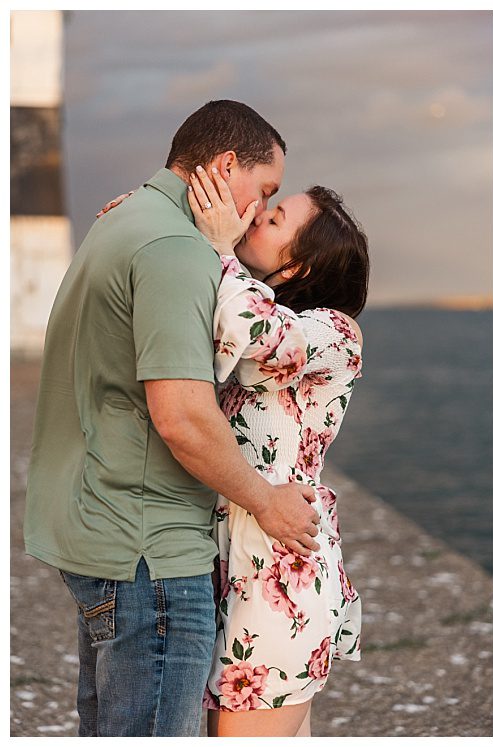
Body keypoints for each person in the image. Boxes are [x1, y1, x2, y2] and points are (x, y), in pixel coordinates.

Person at [23, 100, 323, 737]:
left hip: (99, 523)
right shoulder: (175, 249)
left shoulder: (128, 219)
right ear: (222, 167)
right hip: (147, 549)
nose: (260, 209)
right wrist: (266, 501)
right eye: (265, 190)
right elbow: (183, 417)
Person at [183, 168, 369, 735]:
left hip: (276, 571)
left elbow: (259, 338)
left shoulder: (336, 332)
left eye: (275, 217)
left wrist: (216, 244)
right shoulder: (257, 294)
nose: (256, 213)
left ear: (299, 267)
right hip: (232, 556)